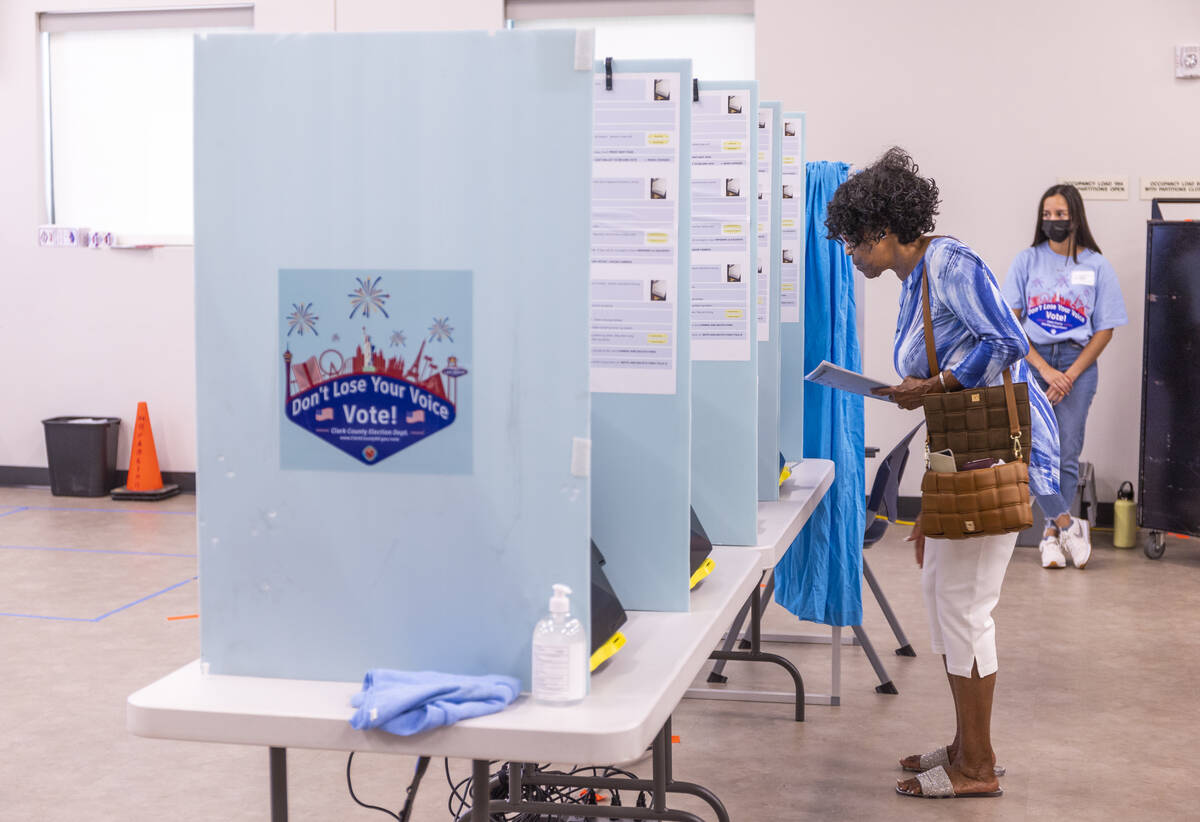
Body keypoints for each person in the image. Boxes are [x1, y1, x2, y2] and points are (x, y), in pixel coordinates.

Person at [825, 148, 1060, 799]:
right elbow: (942, 393)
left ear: (881, 228)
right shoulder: (915, 283)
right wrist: (930, 498)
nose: (851, 256)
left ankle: (978, 766)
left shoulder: (949, 264)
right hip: (963, 454)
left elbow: (1008, 340)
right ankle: (963, 745)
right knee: (940, 593)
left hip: (1002, 453)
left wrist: (936, 381)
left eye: (853, 243)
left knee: (965, 605)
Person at [1002, 184, 1127, 570]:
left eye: (1060, 214)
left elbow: (1105, 328)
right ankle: (1066, 524)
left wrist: (1068, 375)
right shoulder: (1027, 261)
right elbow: (1012, 322)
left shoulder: (1096, 266)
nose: (1053, 221)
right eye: (1047, 214)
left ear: (1075, 216)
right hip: (1035, 362)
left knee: (1066, 454)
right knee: (1033, 451)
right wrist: (1044, 370)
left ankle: (1050, 538)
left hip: (1078, 365)